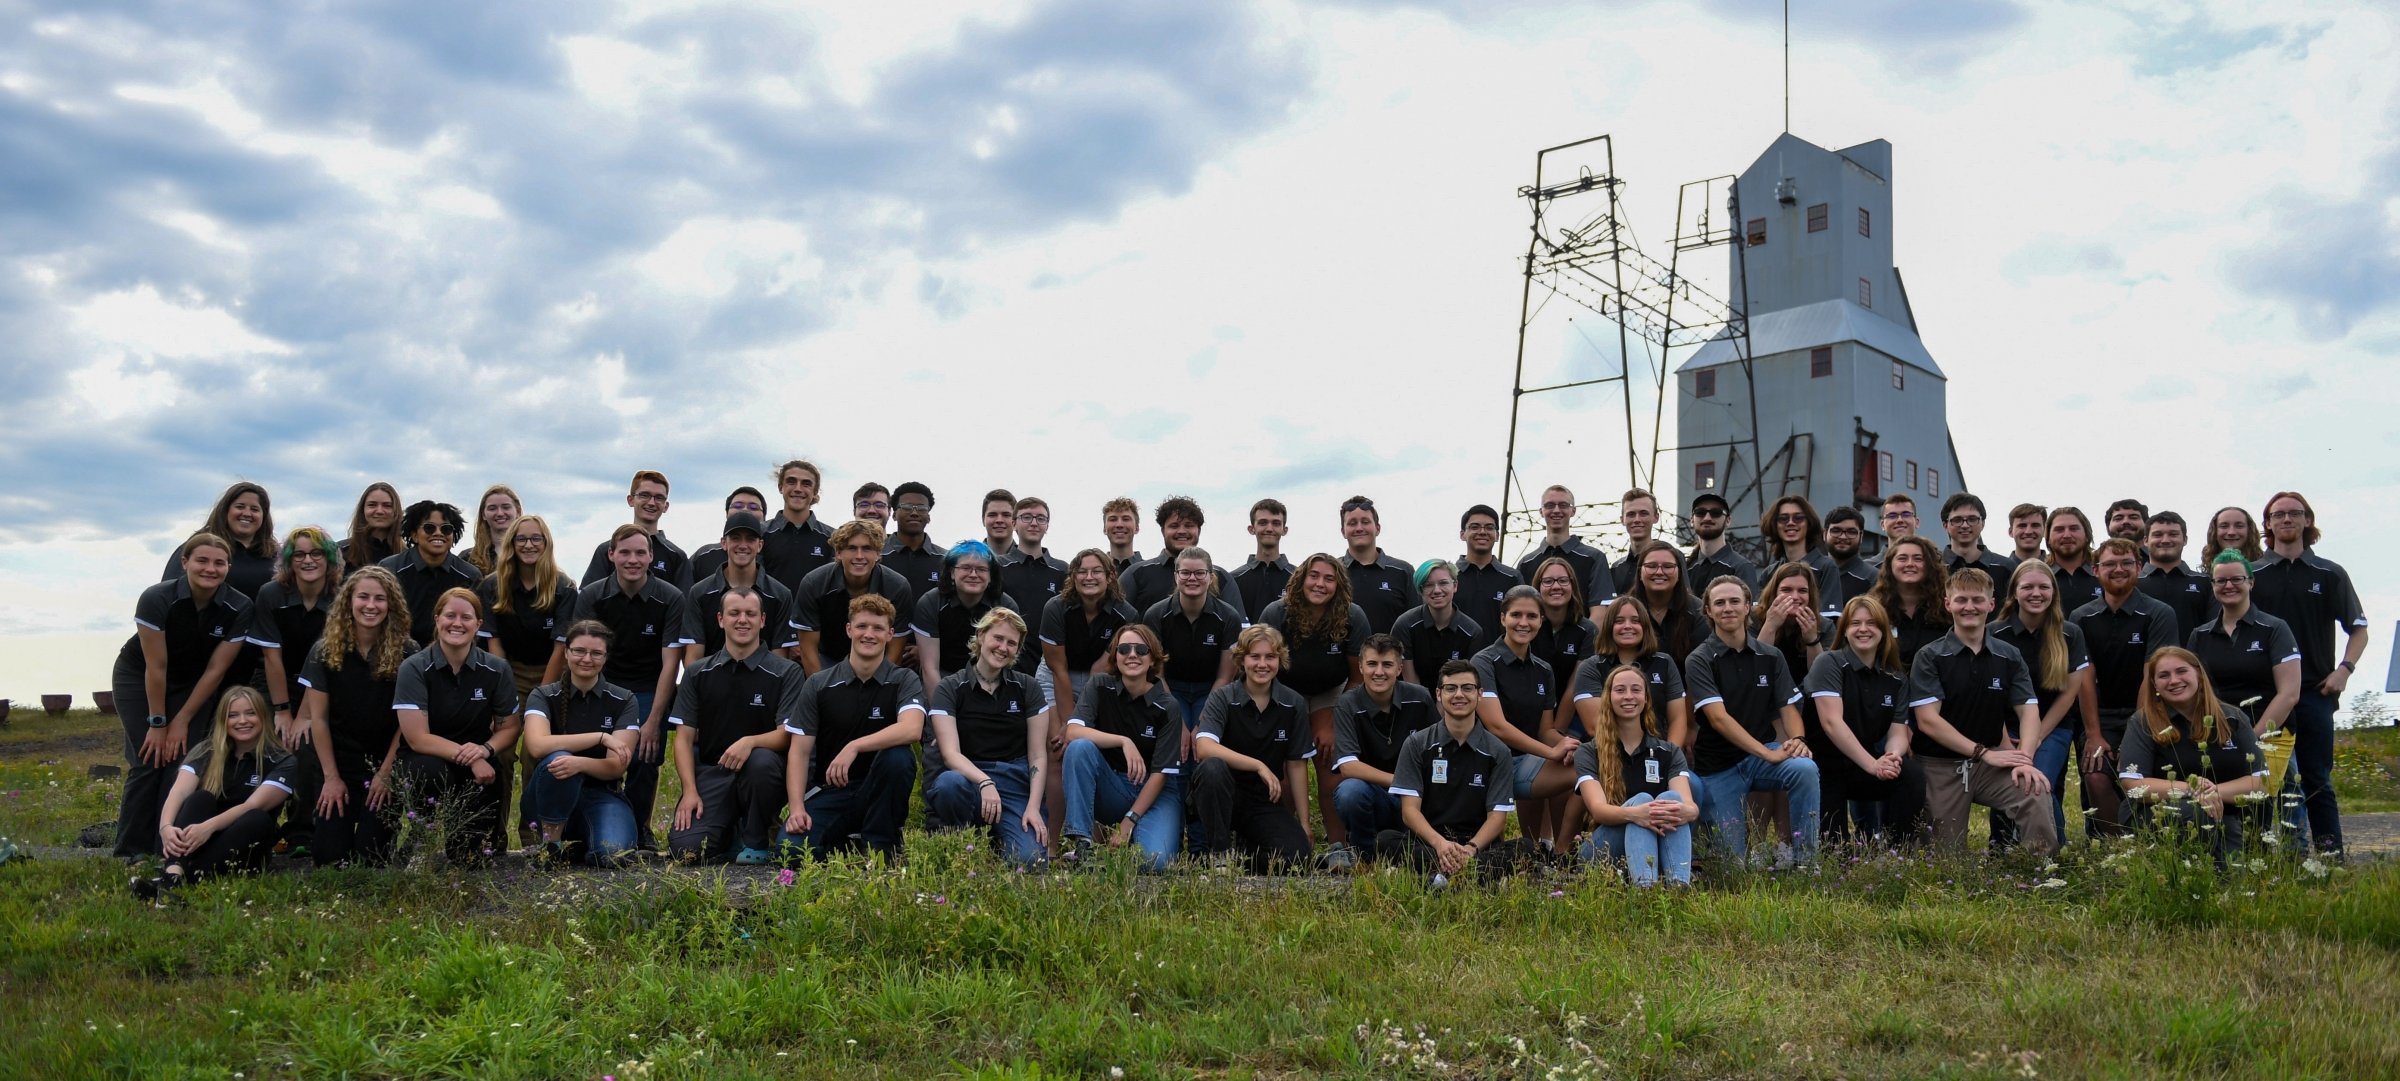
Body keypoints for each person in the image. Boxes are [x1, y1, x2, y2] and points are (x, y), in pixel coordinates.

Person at [113, 532, 253, 858]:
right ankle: (130, 850)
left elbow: (215, 671)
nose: (210, 569)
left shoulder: (239, 606)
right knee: (149, 756)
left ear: (228, 567)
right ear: (185, 562)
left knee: (182, 763)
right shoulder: (157, 598)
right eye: (202, 560)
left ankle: (164, 847)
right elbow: (156, 666)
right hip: (140, 677)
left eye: (219, 563)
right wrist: (159, 723)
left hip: (195, 684)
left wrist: (182, 721)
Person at [1906, 569, 2058, 857]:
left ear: (1991, 605)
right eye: (1961, 600)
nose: (1969, 607)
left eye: (1978, 600)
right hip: (1942, 766)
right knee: (1945, 863)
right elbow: (1928, 721)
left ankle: (2040, 871)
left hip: (1990, 765)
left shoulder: (2008, 655)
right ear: (1947, 604)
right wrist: (1982, 752)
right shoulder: (1930, 656)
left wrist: (2024, 760)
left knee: (2033, 790)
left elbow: (2029, 712)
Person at [2250, 491, 2370, 855]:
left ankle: (2330, 855)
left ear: (2307, 521)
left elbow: (2359, 629)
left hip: (2315, 693)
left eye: (2294, 514)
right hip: (2263, 696)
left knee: (2316, 778)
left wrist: (2344, 671)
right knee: (2263, 780)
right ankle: (2264, 858)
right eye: (2278, 514)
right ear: (2267, 523)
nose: (2286, 519)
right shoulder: (2251, 573)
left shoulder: (2330, 573)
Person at [571, 525, 695, 851]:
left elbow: (672, 663)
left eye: (641, 552)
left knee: (645, 753)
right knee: (596, 751)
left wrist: (653, 722)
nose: (633, 559)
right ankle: (591, 822)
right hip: (602, 684)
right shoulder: (593, 596)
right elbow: (582, 655)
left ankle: (640, 829)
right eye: (625, 552)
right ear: (611, 555)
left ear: (651, 556)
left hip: (648, 686)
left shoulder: (669, 597)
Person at [777, 594, 926, 864]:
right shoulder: (819, 684)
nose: (869, 634)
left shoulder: (904, 679)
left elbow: (912, 729)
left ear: (890, 634)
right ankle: (843, 842)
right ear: (849, 630)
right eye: (862, 627)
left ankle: (881, 847)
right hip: (830, 792)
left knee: (898, 757)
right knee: (791, 852)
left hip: (880, 791)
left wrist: (854, 746)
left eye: (878, 628)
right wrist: (797, 807)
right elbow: (798, 752)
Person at [1684, 575, 1819, 865]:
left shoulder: (1771, 656)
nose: (1727, 608)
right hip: (1719, 767)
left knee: (1805, 768)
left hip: (1761, 757)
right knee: (1733, 866)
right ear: (1708, 611)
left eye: (1735, 601)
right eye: (1719, 603)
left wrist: (1797, 740)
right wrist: (1766, 753)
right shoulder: (1700, 659)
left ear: (1748, 607)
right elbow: (1718, 720)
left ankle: (1807, 861)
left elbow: (1788, 708)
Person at [665, 589, 801, 864]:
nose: (743, 620)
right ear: (720, 619)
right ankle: (729, 829)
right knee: (687, 851)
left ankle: (757, 838)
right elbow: (683, 738)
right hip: (713, 772)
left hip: (763, 774)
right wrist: (689, 791)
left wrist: (749, 742)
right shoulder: (697, 673)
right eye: (734, 613)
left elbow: (788, 735)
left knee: (760, 761)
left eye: (750, 614)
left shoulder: (786, 672)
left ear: (762, 620)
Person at [394, 588, 522, 863]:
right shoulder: (414, 667)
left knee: (469, 860)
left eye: (466, 617)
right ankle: (420, 839)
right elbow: (417, 738)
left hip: (480, 760)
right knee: (433, 772)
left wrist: (486, 751)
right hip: (425, 758)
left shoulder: (497, 669)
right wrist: (473, 759)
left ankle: (468, 844)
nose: (457, 623)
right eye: (450, 615)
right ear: (437, 619)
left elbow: (510, 727)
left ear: (478, 624)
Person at [128, 686, 293, 900]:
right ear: (223, 720)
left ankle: (170, 881)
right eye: (233, 715)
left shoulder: (283, 760)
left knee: (257, 819)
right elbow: (179, 791)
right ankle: (173, 876)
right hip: (195, 840)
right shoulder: (206, 751)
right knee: (200, 799)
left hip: (245, 844)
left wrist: (208, 827)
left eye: (250, 713)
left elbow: (253, 805)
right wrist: (166, 827)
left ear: (263, 716)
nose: (242, 721)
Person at [299, 566, 415, 867]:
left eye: (379, 598)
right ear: (348, 601)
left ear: (391, 605)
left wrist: (386, 774)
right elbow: (318, 720)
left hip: (384, 763)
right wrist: (331, 778)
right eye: (363, 597)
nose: (371, 605)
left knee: (372, 857)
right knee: (328, 857)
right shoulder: (324, 651)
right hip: (338, 763)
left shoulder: (407, 651)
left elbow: (406, 723)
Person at [2071, 537, 2179, 840]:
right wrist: (2093, 735)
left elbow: (2152, 675)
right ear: (2096, 570)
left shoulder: (2159, 613)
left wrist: (2137, 731)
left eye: (2126, 563)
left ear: (2139, 567)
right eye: (2109, 564)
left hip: (2148, 715)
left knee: (2142, 780)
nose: (2118, 569)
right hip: (2100, 717)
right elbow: (2084, 678)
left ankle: (2153, 842)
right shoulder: (2080, 617)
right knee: (2095, 775)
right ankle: (2120, 848)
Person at [925, 608, 1052, 866]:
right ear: (981, 636)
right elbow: (950, 754)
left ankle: (1000, 838)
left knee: (1031, 862)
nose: (1003, 648)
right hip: (969, 779)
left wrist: (1034, 807)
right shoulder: (950, 687)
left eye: (1011, 643)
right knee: (949, 784)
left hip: (1016, 783)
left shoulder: (1028, 688)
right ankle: (960, 843)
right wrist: (985, 782)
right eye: (998, 638)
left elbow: (1038, 754)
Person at [2116, 647, 2270, 858]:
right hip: (2162, 814)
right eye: (2163, 675)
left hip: (2226, 811)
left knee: (2262, 805)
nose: (2173, 680)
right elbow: (2133, 784)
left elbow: (2260, 781)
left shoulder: (2233, 718)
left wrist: (2212, 792)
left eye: (2181, 671)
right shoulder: (2143, 722)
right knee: (2193, 812)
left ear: (2198, 673)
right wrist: (2191, 789)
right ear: (2154, 684)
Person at [1379, 659, 1524, 881]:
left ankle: (1441, 877)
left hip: (1478, 845)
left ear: (1480, 694)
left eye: (1467, 688)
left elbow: (1497, 818)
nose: (1459, 695)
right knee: (1384, 840)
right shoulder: (1417, 744)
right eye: (1450, 688)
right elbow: (1409, 812)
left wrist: (1471, 849)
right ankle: (1471, 877)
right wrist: (1440, 844)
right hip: (1430, 841)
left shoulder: (1498, 751)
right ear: (1438, 694)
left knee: (1527, 848)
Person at [1260, 553, 1370, 844]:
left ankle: (1337, 843)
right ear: (1301, 579)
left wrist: (1334, 720)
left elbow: (1358, 675)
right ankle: (1284, 838)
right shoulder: (1277, 612)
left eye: (1329, 578)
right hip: (1282, 690)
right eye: (1314, 576)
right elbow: (1261, 664)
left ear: (1339, 584)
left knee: (1328, 754)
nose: (1320, 584)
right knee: (1282, 765)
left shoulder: (1352, 615)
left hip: (1331, 691)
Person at [1057, 623, 1186, 870]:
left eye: (1141, 649)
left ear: (1153, 658)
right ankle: (1082, 845)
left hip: (1154, 792)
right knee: (1079, 749)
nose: (1132, 655)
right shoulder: (1099, 686)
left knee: (1154, 863)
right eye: (1124, 649)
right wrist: (1123, 741)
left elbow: (1160, 775)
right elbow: (1072, 732)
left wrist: (1130, 820)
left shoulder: (1168, 706)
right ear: (1115, 656)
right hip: (1113, 785)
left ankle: (1133, 840)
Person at [912, 543, 1023, 828]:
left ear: (990, 575)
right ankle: (937, 819)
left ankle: (994, 813)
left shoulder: (1005, 604)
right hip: (944, 677)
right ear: (951, 573)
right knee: (937, 742)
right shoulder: (930, 602)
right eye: (965, 568)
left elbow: (1007, 655)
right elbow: (929, 667)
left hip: (990, 676)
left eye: (981, 569)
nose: (973, 574)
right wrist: (943, 716)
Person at [1188, 625, 1315, 873]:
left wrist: (1305, 823)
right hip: (1221, 794)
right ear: (1242, 660)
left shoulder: (1294, 702)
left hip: (1263, 799)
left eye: (1270, 657)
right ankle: (1221, 854)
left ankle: (1247, 857)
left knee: (1297, 859)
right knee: (1212, 768)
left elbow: (1297, 764)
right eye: (1254, 657)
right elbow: (1204, 747)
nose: (1262, 664)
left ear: (1280, 660)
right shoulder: (1223, 698)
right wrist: (1258, 765)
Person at [249, 526, 342, 857]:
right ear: (288, 561)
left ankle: (302, 830)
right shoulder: (271, 594)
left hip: (322, 680)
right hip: (276, 679)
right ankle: (257, 827)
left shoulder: (340, 597)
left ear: (329, 559)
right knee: (265, 736)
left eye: (316, 553)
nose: (308, 560)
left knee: (307, 742)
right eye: (299, 554)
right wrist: (283, 712)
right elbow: (271, 658)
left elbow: (326, 660)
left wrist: (303, 715)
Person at [1801, 597, 1925, 844]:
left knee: (1909, 773)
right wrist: (1873, 765)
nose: (1863, 629)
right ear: (1845, 631)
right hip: (1824, 770)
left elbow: (1898, 732)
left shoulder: (1896, 678)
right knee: (1834, 852)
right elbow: (1831, 723)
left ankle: (1898, 851)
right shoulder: (1829, 663)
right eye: (1855, 623)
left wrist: (1891, 757)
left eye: (1871, 623)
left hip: (1864, 766)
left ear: (1883, 630)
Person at [1989, 559, 2095, 843]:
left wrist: (2036, 738)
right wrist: (2002, 740)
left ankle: (2053, 854)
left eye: (2043, 587)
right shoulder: (1993, 633)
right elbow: (1987, 693)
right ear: (2014, 592)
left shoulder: (2070, 633)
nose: (2036, 593)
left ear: (2054, 592)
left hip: (2053, 726)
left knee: (2040, 783)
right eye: (2028, 587)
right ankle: (2001, 848)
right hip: (2003, 728)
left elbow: (2069, 694)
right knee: (2006, 784)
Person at [520, 621, 642, 866]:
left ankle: (581, 840)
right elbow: (536, 746)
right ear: (566, 652)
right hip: (547, 798)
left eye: (596, 653)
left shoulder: (624, 699)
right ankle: (551, 846)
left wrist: (581, 764)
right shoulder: (543, 695)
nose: (587, 658)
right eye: (579, 651)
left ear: (606, 657)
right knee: (558, 758)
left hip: (601, 795)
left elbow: (617, 766)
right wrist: (599, 737)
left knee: (612, 856)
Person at [1472, 585, 1581, 853]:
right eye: (1516, 615)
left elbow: (1545, 730)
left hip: (1528, 760)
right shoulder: (1484, 662)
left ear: (1541, 621)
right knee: (1558, 760)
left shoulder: (1544, 670)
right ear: (1503, 618)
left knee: (1579, 763)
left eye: (1531, 616)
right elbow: (1497, 726)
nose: (1523, 622)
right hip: (1488, 764)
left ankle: (1559, 854)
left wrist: (1569, 746)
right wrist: (1551, 752)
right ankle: (1533, 849)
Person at [1574, 665, 1699, 885]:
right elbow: (1599, 810)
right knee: (1641, 800)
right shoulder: (1588, 751)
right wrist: (1636, 813)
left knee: (1673, 800)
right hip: (1601, 851)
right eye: (1620, 690)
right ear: (1608, 698)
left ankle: (1679, 885)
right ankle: (1644, 889)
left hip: (1656, 846)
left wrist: (1674, 811)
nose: (1629, 696)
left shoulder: (1668, 751)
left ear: (1646, 698)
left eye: (1636, 690)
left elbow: (1690, 806)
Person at [1328, 633, 1439, 867]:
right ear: (1360, 667)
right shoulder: (1348, 703)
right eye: (1372, 664)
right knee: (1350, 792)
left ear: (1399, 668)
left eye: (1387, 664)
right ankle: (1366, 855)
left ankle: (1413, 851)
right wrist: (1402, 781)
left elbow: (1439, 751)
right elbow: (1348, 766)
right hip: (1375, 794)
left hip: (1416, 798)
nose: (1379, 672)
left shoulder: (1419, 698)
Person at [2187, 552, 2301, 742]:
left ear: (2251, 582)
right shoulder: (2199, 636)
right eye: (2221, 580)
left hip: (2270, 738)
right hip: (2216, 738)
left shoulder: (2275, 629)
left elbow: (2289, 694)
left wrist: (2252, 739)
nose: (2229, 585)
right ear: (2213, 586)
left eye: (2236, 579)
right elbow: (2194, 693)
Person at [1142, 547, 1248, 728]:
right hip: (1170, 688)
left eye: (1200, 573)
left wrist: (1202, 721)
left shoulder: (1229, 616)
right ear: (1176, 576)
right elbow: (1156, 675)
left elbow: (1225, 677)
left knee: (1203, 739)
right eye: (1185, 573)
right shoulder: (1156, 615)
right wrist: (1178, 721)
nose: (1192, 579)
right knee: (1176, 737)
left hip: (1210, 689)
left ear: (1211, 577)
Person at [792, 519, 913, 672]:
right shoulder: (814, 583)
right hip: (827, 660)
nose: (859, 556)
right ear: (838, 553)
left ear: (878, 553)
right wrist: (821, 690)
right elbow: (808, 649)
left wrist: (880, 689)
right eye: (851, 548)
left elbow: (894, 652)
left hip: (877, 662)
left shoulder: (897, 587)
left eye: (867, 548)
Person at [1041, 549, 1142, 731]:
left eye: (1096, 571)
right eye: (1081, 572)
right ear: (1073, 577)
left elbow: (1099, 670)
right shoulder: (1055, 608)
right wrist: (1068, 723)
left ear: (1110, 576)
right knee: (1055, 741)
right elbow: (1058, 669)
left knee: (1088, 735)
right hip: (1056, 673)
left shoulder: (1126, 614)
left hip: (1099, 676)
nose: (1089, 577)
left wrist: (1076, 723)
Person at [1575, 596, 1692, 750]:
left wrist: (1669, 757)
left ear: (1645, 626)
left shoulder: (1665, 663)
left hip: (1660, 754)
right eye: (1619, 621)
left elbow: (1678, 720)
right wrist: (1636, 758)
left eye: (1636, 621)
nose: (1628, 626)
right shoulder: (1591, 667)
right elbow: (1594, 726)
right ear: (1609, 626)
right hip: (1608, 754)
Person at [478, 515, 578, 692]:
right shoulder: (492, 585)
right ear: (512, 543)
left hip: (555, 669)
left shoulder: (565, 587)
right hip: (510, 670)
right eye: (521, 539)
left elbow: (561, 646)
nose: (529, 545)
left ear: (546, 543)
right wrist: (504, 688)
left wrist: (542, 695)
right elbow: (495, 645)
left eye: (536, 538)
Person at [686, 511, 800, 661]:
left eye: (750, 539)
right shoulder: (699, 593)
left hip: (763, 683)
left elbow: (779, 660)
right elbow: (693, 659)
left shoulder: (780, 595)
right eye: (735, 538)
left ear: (760, 545)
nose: (743, 545)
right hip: (711, 681)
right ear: (723, 543)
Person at [1121, 495, 1244, 615]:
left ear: (1199, 531)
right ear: (1163, 531)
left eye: (1189, 525)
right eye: (1174, 526)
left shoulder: (1222, 577)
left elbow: (1238, 630)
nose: (1181, 531)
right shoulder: (1136, 574)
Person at [382, 500, 480, 645]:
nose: (438, 533)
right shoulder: (390, 569)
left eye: (446, 529)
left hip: (452, 652)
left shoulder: (469, 575)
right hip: (396, 651)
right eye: (429, 528)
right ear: (414, 535)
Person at [160, 482, 278, 599]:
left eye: (255, 509)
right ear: (225, 510)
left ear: (264, 515)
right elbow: (169, 594)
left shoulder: (276, 555)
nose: (247, 513)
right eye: (240, 507)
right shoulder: (197, 548)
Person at [582, 470, 692, 590]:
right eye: (644, 495)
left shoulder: (676, 557)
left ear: (666, 506)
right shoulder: (607, 550)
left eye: (659, 498)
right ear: (631, 500)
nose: (651, 503)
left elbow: (683, 605)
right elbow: (588, 599)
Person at [999, 496, 1070, 674]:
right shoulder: (998, 566)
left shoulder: (1061, 570)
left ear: (1047, 525)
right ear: (1014, 523)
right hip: (1005, 659)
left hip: (1049, 663)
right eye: (1027, 517)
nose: (1034, 523)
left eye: (1040, 518)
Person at [1514, 485, 1614, 606]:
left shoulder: (1594, 558)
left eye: (1563, 505)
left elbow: (1600, 612)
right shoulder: (1526, 563)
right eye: (1550, 505)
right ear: (1541, 511)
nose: (1556, 510)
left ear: (1573, 511)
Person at [1391, 561, 1484, 688]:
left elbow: (1466, 683)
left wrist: (1441, 706)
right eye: (1428, 585)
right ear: (1420, 590)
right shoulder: (1404, 625)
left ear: (1455, 586)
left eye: (1443, 583)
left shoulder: (1472, 632)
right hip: (1413, 698)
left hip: (1454, 698)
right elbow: (1411, 682)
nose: (1437, 590)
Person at [1527, 557, 1600, 716]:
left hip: (1573, 715)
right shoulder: (1526, 626)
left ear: (1572, 585)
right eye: (1548, 581)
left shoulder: (1588, 630)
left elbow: (1575, 686)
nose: (1556, 586)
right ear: (1537, 587)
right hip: (1529, 711)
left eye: (1563, 580)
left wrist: (1556, 730)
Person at [1339, 495, 1419, 633]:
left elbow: (1416, 623)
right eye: (1352, 523)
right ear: (1343, 531)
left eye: (1365, 522)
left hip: (1392, 654)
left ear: (1377, 528)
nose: (1359, 528)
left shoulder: (1403, 571)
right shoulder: (1332, 572)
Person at [1868, 535, 1950, 666]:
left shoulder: (1948, 608)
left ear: (1930, 564)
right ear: (1890, 564)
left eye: (1918, 558)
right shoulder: (1874, 609)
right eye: (1902, 558)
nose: (1910, 564)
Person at [1628, 540, 1706, 667]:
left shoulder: (1698, 610)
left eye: (1668, 566)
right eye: (1651, 566)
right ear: (1639, 573)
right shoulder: (1624, 610)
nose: (1659, 572)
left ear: (1679, 573)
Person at [762, 459, 836, 594]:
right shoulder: (761, 532)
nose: (798, 488)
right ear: (780, 487)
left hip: (813, 614)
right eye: (791, 481)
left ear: (815, 491)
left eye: (806, 484)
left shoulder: (832, 537)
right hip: (771, 613)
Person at [1754, 561, 1828, 689]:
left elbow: (1821, 678)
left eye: (1802, 591)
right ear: (1774, 592)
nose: (1795, 597)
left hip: (1806, 697)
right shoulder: (1753, 618)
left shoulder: (1824, 625)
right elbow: (1756, 669)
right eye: (1786, 590)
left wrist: (1812, 640)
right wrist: (1770, 625)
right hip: (1764, 692)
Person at [1453, 504, 1521, 639]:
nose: (1482, 532)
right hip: (1455, 658)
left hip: (1499, 658)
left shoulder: (1512, 577)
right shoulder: (1449, 577)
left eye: (1489, 527)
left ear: (1497, 535)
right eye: (1475, 527)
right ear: (1462, 534)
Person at [2137, 511, 2211, 632]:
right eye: (2157, 535)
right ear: (2146, 541)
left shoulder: (2206, 582)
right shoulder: (2132, 583)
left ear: (2185, 540)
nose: (2165, 540)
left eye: (2173, 534)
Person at [1762, 495, 1843, 605]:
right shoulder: (1769, 573)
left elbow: (1829, 618)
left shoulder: (1826, 567)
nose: (1790, 523)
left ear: (1809, 523)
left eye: (1798, 518)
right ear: (1774, 525)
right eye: (1783, 518)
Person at [881, 482, 947, 604]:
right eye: (907, 507)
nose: (914, 513)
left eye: (922, 508)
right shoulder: (878, 555)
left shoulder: (945, 559)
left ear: (928, 517)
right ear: (894, 515)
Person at [688, 487, 771, 581]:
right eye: (738, 505)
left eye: (753, 507)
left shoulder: (776, 554)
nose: (745, 509)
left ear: (764, 517)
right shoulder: (704, 557)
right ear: (726, 514)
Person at [1232, 498, 1294, 624]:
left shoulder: (1299, 578)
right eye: (1263, 523)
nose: (1269, 528)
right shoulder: (1233, 579)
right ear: (1251, 529)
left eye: (1276, 523)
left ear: (1284, 530)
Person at [1686, 492, 1759, 593]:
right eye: (1700, 512)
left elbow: (1749, 607)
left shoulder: (1740, 567)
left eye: (1716, 512)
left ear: (1728, 521)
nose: (1707, 518)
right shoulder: (1686, 569)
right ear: (1692, 520)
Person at [1937, 494, 2016, 583]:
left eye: (1972, 519)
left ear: (1983, 523)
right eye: (1957, 520)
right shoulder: (1933, 566)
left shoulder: (2006, 567)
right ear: (1945, 525)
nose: (1965, 525)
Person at [1608, 488, 1662, 597]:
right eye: (1631, 514)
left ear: (1656, 518)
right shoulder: (1616, 569)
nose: (1637, 519)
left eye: (1643, 513)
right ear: (1622, 519)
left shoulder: (1672, 559)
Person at [2046, 507, 2102, 611]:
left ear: (2087, 535)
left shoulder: (2104, 574)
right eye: (2059, 530)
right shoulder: (2040, 576)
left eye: (2074, 528)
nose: (2067, 535)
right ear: (2048, 538)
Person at [340, 482, 405, 570]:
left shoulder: (407, 557)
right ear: (363, 510)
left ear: (396, 511)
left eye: (387, 505)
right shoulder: (340, 552)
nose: (379, 511)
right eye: (372, 505)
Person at [465, 484, 522, 576]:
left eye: (506, 507)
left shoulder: (529, 555)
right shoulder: (467, 558)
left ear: (518, 512)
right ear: (483, 514)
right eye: (492, 508)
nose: (499, 513)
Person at [1824, 507, 1876, 605]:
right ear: (1825, 534)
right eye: (1836, 530)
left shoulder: (1873, 578)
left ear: (1861, 536)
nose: (1843, 537)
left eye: (1851, 532)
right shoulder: (1811, 574)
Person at [1100, 496, 1144, 572]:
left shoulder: (1150, 571)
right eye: (1113, 519)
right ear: (1104, 529)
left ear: (1136, 528)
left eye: (1126, 519)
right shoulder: (1094, 574)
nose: (1119, 525)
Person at [978, 489, 1020, 561]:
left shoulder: (1029, 564)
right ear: (983, 520)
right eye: (992, 515)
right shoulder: (967, 560)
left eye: (1006, 515)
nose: (999, 520)